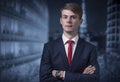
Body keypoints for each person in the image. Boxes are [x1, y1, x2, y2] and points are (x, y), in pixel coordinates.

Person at [40, 3, 100, 82]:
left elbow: (94, 79)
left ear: (80, 21)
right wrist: (81, 77)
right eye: (65, 17)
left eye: (73, 17)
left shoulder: (90, 49)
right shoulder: (49, 47)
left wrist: (62, 74)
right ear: (61, 21)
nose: (68, 20)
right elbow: (44, 79)